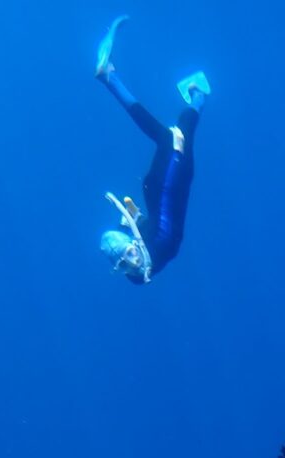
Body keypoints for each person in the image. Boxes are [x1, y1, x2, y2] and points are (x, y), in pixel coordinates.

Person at [96, 16, 209, 284]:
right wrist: (135, 219)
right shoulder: (150, 261)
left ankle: (110, 78)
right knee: (171, 134)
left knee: (173, 135)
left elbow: (156, 235)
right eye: (127, 261)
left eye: (130, 254)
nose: (134, 262)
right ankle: (195, 94)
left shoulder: (152, 257)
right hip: (162, 187)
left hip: (168, 183)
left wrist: (133, 220)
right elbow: (151, 245)